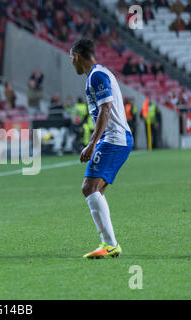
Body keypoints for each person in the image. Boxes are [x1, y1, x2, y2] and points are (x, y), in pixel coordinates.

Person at [69, 38, 133, 259]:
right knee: (96, 190)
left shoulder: (97, 75)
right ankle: (108, 243)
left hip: (114, 139)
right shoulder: (97, 74)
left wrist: (92, 143)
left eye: (71, 59)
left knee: (89, 188)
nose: (72, 64)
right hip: (116, 139)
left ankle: (110, 244)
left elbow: (106, 109)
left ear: (77, 56)